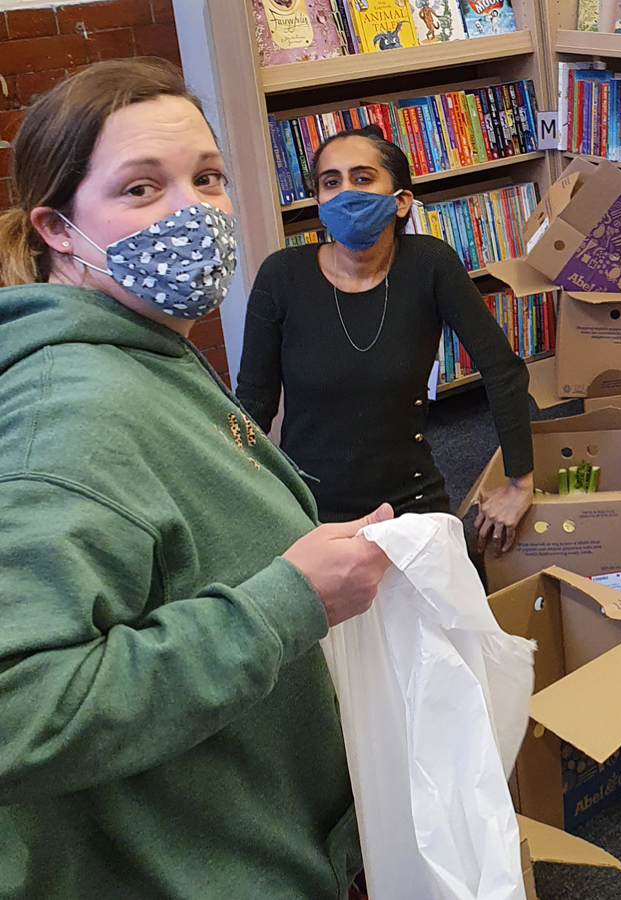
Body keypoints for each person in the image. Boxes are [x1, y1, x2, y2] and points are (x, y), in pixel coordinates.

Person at [0, 59, 393, 898]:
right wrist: (292, 600)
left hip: (242, 822)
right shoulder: (69, 417)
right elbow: (17, 712)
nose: (195, 212)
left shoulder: (148, 349)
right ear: (59, 229)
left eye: (207, 177)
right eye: (142, 189)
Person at [237, 125, 534, 556]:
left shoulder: (430, 264)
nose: (346, 194)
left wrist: (519, 482)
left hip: (410, 500)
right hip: (309, 506)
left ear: (401, 201)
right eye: (330, 182)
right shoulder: (282, 275)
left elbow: (501, 369)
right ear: (319, 202)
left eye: (362, 178)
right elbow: (253, 402)